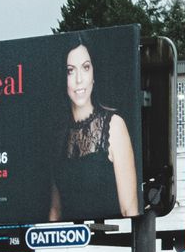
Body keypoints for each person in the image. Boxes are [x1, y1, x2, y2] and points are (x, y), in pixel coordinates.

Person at [49, 41, 139, 220]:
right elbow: (55, 212)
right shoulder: (59, 136)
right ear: (62, 77)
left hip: (110, 243)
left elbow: (130, 210)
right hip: (71, 244)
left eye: (86, 67)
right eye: (70, 70)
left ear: (94, 73)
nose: (79, 79)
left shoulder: (114, 126)